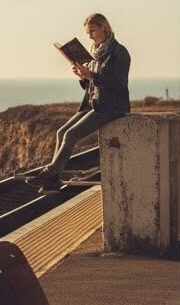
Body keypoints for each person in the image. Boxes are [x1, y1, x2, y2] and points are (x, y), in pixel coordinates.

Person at [26, 13, 131, 192]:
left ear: (104, 28)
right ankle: (54, 181)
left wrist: (92, 75)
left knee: (71, 134)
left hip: (111, 106)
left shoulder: (119, 52)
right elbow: (90, 85)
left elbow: (118, 85)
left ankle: (49, 173)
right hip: (94, 103)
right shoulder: (96, 53)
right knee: (61, 132)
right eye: (88, 33)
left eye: (92, 31)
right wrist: (82, 76)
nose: (90, 36)